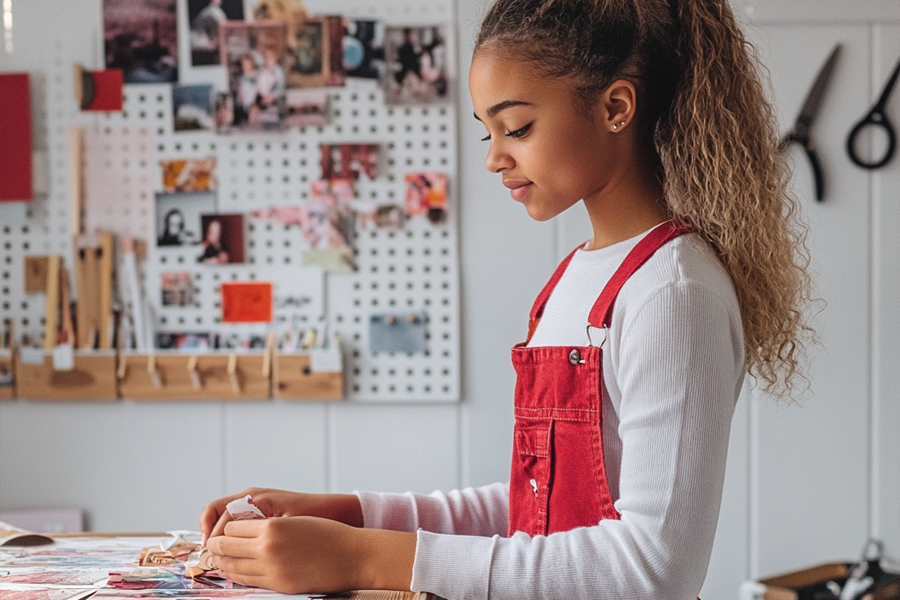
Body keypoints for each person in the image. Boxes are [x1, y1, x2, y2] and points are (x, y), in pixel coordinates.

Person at [199, 1, 814, 598]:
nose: (495, 158)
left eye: (516, 127)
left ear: (616, 106)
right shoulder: (575, 278)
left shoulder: (674, 291)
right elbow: (537, 508)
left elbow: (653, 570)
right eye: (489, 131)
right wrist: (350, 516)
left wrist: (364, 558)